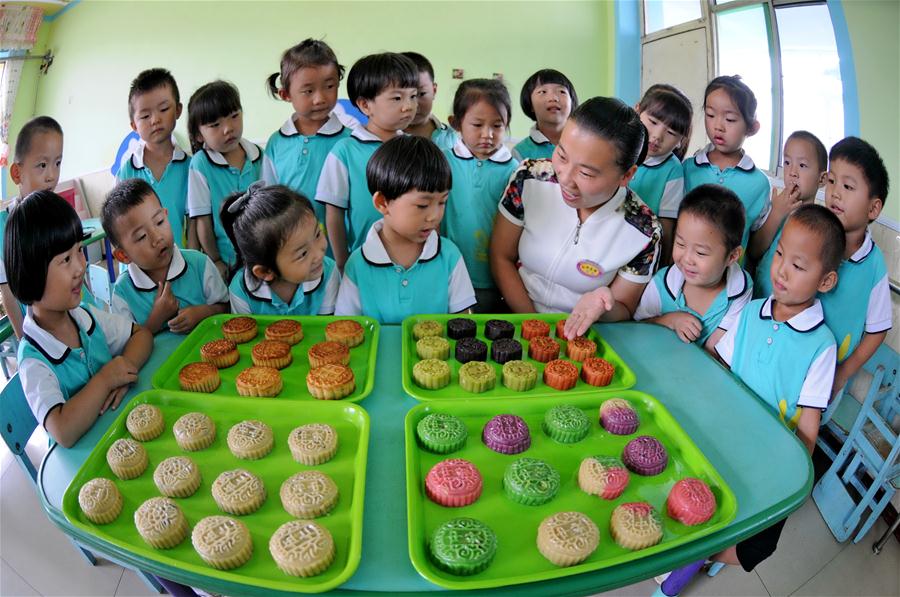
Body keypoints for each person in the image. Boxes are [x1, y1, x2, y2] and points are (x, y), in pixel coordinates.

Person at [490, 96, 660, 338]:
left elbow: (624, 307)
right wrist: (534, 327)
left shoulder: (643, 230)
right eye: (561, 155)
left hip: (581, 337)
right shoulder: (530, 178)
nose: (565, 178)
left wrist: (602, 306)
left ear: (627, 175)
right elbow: (501, 256)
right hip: (514, 320)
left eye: (586, 172)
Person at [5, 191, 153, 448]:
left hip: (124, 440)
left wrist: (124, 370)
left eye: (80, 251)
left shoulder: (84, 316)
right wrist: (106, 379)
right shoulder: (33, 360)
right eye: (65, 259)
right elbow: (63, 431)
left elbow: (142, 335)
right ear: (30, 274)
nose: (79, 267)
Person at [334, 135, 476, 323]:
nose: (434, 216)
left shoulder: (449, 256)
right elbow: (345, 329)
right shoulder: (358, 265)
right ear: (382, 202)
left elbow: (464, 322)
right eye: (422, 205)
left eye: (442, 202)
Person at [316, 52, 419, 270]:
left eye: (413, 96)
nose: (408, 106)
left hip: (413, 261)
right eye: (397, 98)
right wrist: (343, 262)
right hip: (363, 261)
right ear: (365, 105)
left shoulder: (416, 149)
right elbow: (334, 214)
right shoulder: (344, 152)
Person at [634, 184, 751, 351]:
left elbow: (717, 351)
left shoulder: (740, 290)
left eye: (701, 253)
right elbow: (635, 328)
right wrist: (669, 321)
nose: (687, 259)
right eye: (680, 243)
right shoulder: (661, 285)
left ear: (732, 256)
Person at [102, 178, 229, 333]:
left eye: (160, 222)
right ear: (123, 255)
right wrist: (156, 319)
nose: (157, 238)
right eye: (142, 236)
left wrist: (203, 313)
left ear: (166, 215)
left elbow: (227, 308)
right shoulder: (123, 292)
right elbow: (124, 346)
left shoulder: (199, 265)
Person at [819, 137, 891, 397]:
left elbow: (877, 330)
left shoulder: (874, 268)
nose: (835, 192)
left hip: (826, 376)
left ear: (873, 208)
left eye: (848, 186)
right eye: (831, 181)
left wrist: (843, 373)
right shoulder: (813, 235)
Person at [443, 79, 519, 312]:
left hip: (495, 278)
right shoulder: (443, 162)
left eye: (497, 126)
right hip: (450, 273)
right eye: (477, 125)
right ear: (456, 123)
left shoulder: (514, 170)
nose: (487, 134)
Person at [261, 39, 352, 224]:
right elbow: (268, 199)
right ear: (286, 95)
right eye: (308, 91)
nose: (320, 99)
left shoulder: (350, 140)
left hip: (339, 248)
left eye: (329, 86)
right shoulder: (276, 143)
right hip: (293, 244)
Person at [683, 75, 771, 253]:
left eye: (730, 119)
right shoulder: (687, 169)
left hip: (731, 276)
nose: (718, 126)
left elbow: (755, 246)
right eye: (710, 115)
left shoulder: (759, 184)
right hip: (685, 269)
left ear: (752, 128)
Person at [223, 183, 340, 316]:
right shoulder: (241, 291)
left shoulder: (329, 272)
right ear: (265, 271)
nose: (319, 255)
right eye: (303, 254)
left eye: (317, 234)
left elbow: (328, 329)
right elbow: (243, 335)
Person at [186, 80, 262, 279]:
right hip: (228, 263)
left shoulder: (258, 156)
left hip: (264, 254)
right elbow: (202, 219)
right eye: (215, 125)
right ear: (198, 135)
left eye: (234, 116)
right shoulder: (200, 164)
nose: (228, 128)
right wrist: (216, 259)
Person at [1, 116, 65, 339]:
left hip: (74, 320)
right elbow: (8, 293)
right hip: (39, 333)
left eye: (58, 163)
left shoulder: (59, 212)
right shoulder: (3, 229)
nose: (52, 176)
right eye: (42, 165)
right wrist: (23, 339)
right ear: (17, 173)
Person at [117, 68, 191, 247]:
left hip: (179, 264)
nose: (155, 120)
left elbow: (194, 223)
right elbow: (120, 225)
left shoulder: (190, 166)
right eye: (145, 116)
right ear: (134, 125)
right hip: (140, 268)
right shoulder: (127, 171)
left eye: (164, 109)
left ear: (178, 110)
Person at [750, 131, 827, 297]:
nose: (792, 172)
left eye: (802, 165)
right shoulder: (775, 205)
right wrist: (776, 213)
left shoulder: (820, 226)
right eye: (787, 162)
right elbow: (754, 251)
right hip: (757, 303)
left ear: (821, 179)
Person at [630, 83, 692, 264]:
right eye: (653, 122)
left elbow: (667, 225)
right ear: (637, 110)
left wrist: (662, 266)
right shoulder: (618, 146)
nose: (657, 136)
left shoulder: (672, 170)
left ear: (681, 140)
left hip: (641, 252)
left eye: (671, 132)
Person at [512, 69, 578, 161]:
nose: (553, 98)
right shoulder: (520, 152)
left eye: (562, 91)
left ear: (572, 102)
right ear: (530, 105)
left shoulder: (585, 144)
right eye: (543, 92)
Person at [401, 51, 458, 150]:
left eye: (421, 94)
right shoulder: (379, 139)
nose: (413, 105)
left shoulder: (454, 140)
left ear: (434, 90)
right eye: (399, 96)